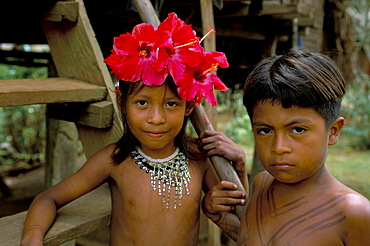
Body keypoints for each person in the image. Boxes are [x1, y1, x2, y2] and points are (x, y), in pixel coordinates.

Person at [21, 13, 247, 246]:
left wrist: (238, 168)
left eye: (171, 104)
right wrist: (33, 237)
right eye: (142, 103)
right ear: (123, 103)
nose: (157, 119)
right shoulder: (114, 160)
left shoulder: (200, 157)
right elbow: (48, 198)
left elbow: (245, 232)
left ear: (188, 106)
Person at [202, 50, 370, 245]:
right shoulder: (262, 185)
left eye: (297, 130)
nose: (279, 148)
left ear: (333, 131)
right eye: (265, 131)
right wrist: (221, 218)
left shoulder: (353, 213)